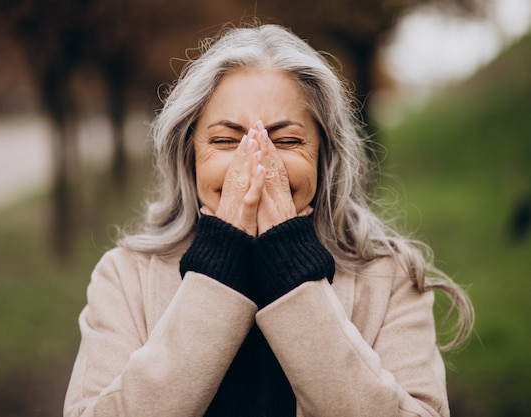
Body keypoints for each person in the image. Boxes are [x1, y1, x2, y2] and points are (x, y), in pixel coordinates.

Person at [63, 23, 473, 417]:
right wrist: (217, 270)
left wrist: (293, 272)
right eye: (225, 141)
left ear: (324, 156)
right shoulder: (126, 275)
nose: (256, 165)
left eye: (287, 140)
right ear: (188, 155)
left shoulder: (389, 276)